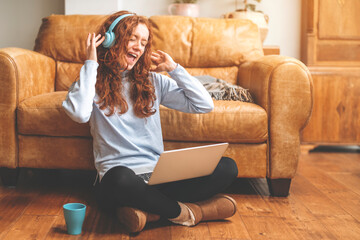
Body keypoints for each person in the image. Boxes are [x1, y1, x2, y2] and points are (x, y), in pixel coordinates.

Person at [62, 10, 238, 233]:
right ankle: (186, 213)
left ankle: (149, 211)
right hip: (119, 180)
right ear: (112, 40)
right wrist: (90, 63)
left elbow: (205, 105)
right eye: (132, 38)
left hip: (156, 177)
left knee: (227, 167)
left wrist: (175, 69)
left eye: (143, 42)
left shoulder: (153, 81)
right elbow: (79, 114)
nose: (138, 47)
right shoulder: (90, 81)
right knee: (119, 178)